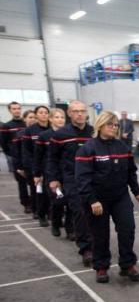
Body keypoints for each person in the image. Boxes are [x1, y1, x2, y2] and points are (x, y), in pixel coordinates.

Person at [75, 111, 139, 283]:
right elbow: (82, 178)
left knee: (127, 229)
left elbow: (131, 172)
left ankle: (127, 264)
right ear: (100, 125)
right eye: (110, 124)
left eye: (116, 125)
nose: (114, 128)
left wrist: (137, 192)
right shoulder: (88, 148)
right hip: (97, 199)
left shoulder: (122, 147)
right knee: (100, 234)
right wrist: (92, 200)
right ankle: (101, 266)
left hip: (120, 197)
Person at [47, 100, 94, 266]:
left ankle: (96, 243)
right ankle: (86, 249)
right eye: (76, 111)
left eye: (82, 111)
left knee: (95, 214)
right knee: (80, 212)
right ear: (70, 113)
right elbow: (52, 158)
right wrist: (53, 178)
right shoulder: (61, 135)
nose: (80, 114)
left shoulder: (94, 132)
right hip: (72, 180)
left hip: (93, 180)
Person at [33, 108, 70, 237]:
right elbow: (38, 156)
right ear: (51, 119)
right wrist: (37, 174)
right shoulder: (44, 136)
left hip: (68, 173)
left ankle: (71, 230)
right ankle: (55, 223)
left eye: (62, 117)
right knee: (58, 201)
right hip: (51, 173)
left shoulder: (69, 134)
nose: (60, 120)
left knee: (71, 202)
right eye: (57, 117)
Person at [22, 106, 50, 224]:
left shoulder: (54, 129)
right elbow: (27, 151)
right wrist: (33, 169)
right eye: (41, 112)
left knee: (52, 192)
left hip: (51, 166)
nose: (43, 115)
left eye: (46, 112)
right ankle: (40, 214)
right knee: (39, 192)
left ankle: (51, 213)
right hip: (37, 167)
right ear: (36, 115)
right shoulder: (30, 130)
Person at [1, 101, 31, 213]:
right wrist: (13, 155)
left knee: (33, 183)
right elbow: (3, 144)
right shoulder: (6, 126)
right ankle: (26, 204)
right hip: (17, 159)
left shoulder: (27, 123)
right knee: (22, 183)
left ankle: (37, 203)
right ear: (10, 110)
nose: (17, 110)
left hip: (29, 158)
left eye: (18, 108)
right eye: (14, 109)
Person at [11, 110, 36, 215]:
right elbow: (16, 152)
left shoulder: (41, 132)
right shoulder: (20, 134)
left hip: (38, 164)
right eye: (30, 117)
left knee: (38, 188)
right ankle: (28, 205)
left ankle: (41, 207)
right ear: (24, 119)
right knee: (25, 186)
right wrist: (19, 167)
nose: (33, 119)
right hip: (25, 164)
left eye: (34, 117)